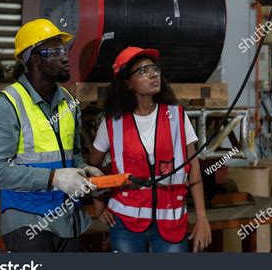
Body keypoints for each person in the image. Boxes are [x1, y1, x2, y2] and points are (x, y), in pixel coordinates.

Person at [0, 19, 102, 252]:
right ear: (35, 59)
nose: (64, 57)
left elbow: (71, 155)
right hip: (28, 223)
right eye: (55, 52)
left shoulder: (68, 101)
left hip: (69, 220)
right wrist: (53, 178)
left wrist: (84, 170)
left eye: (64, 50)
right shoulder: (7, 105)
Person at [89, 47, 211, 253]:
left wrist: (202, 218)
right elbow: (92, 168)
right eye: (142, 71)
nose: (153, 74)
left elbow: (194, 171)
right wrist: (99, 207)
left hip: (171, 224)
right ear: (127, 83)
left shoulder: (177, 117)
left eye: (153, 68)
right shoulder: (113, 123)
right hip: (126, 226)